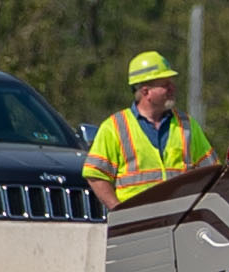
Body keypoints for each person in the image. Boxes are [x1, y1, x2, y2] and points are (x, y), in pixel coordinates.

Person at [82, 51, 215, 211]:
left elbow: (211, 171)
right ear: (146, 92)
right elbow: (96, 174)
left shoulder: (187, 124)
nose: (172, 88)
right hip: (138, 221)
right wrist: (118, 211)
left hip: (181, 218)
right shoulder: (114, 127)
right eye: (165, 85)